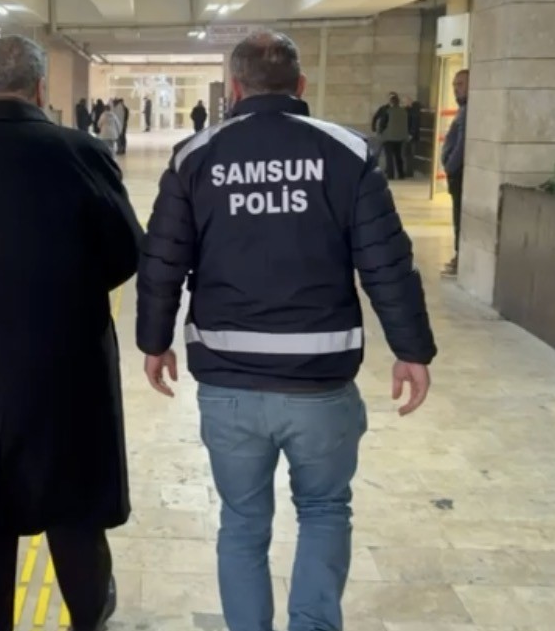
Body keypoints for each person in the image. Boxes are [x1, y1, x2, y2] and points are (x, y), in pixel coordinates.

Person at [136, 31, 436, 631]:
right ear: (301, 85)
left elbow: (163, 260)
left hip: (228, 380)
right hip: (320, 380)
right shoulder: (346, 151)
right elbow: (385, 262)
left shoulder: (195, 156)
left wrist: (155, 341)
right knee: (324, 510)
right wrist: (411, 350)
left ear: (235, 88)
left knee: (242, 523)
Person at [0, 34, 142, 631]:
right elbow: (124, 253)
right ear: (40, 89)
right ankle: (88, 613)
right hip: (68, 365)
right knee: (74, 506)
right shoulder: (81, 151)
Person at [442, 69, 469, 277]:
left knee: (460, 216)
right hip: (455, 173)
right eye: (454, 85)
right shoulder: (463, 110)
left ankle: (461, 257)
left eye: (460, 84)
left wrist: (450, 166)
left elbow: (462, 145)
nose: (455, 89)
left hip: (459, 174)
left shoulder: (467, 112)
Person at [371, 92, 409, 179]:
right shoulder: (404, 111)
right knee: (398, 156)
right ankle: (401, 174)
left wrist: (380, 131)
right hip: (400, 138)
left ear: (391, 101)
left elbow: (383, 123)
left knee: (389, 157)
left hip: (388, 137)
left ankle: (390, 175)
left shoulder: (388, 111)